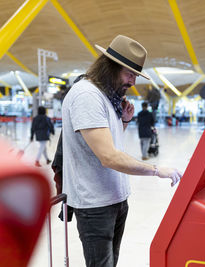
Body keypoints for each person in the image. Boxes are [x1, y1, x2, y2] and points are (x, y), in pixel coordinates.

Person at [61, 35, 182, 267]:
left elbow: (108, 145)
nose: (133, 82)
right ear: (111, 67)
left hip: (114, 198)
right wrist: (156, 170)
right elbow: (109, 157)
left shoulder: (107, 97)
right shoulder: (87, 96)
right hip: (95, 204)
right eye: (130, 74)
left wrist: (124, 122)